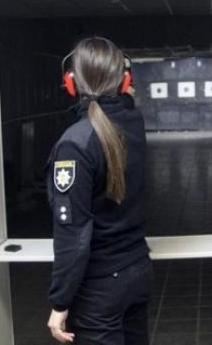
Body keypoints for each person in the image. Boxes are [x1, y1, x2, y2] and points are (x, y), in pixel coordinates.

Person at [45, 37, 151, 344]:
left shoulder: (75, 143)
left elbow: (74, 235)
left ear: (70, 83)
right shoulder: (133, 122)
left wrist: (60, 302)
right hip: (137, 270)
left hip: (100, 287)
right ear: (125, 80)